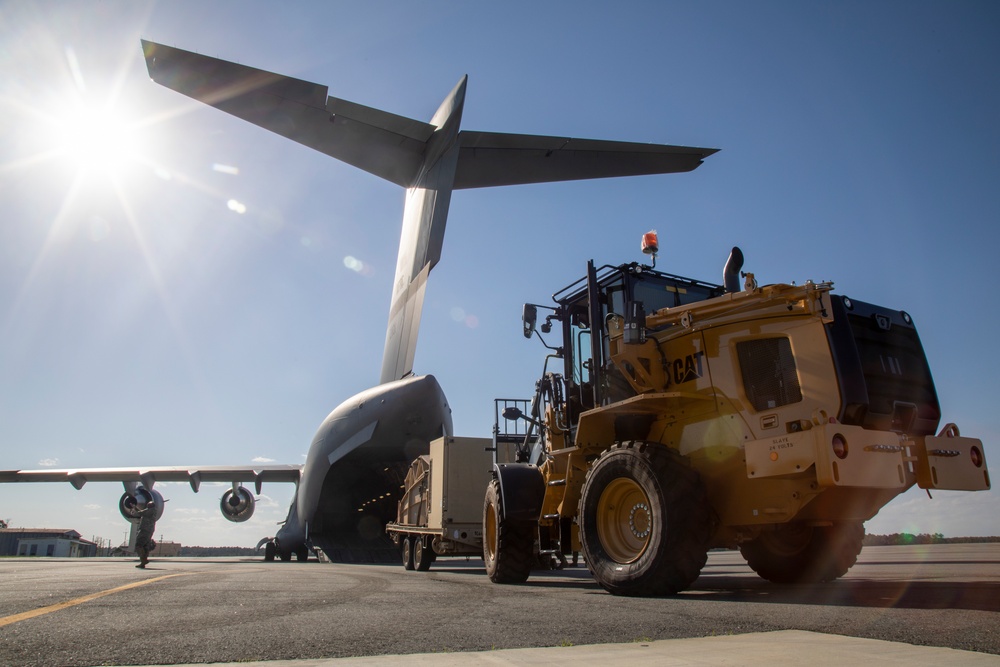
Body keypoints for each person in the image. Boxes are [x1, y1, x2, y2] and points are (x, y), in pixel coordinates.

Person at [134, 501, 157, 568]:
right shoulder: (152, 511)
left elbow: (140, 513)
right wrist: (135, 507)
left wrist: (134, 508)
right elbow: (142, 512)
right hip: (150, 530)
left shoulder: (150, 511)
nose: (147, 506)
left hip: (145, 530)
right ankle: (143, 562)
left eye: (148, 505)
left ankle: (143, 560)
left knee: (139, 545)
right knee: (145, 546)